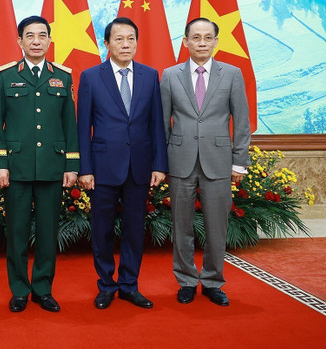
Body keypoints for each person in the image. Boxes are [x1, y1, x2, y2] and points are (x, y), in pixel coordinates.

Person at [0, 15, 79, 314]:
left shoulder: (63, 77)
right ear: (20, 41)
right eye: (30, 36)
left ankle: (43, 288)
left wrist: (71, 164)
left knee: (47, 232)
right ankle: (19, 289)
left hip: (52, 165)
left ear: (50, 40)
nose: (36, 41)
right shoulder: (5, 76)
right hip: (17, 166)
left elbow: (70, 124)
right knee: (16, 232)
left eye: (42, 35)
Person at [77, 16, 167, 310]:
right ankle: (106, 285)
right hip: (102, 167)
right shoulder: (91, 77)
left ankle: (129, 285)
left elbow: (156, 124)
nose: (126, 44)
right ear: (107, 44)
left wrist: (159, 164)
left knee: (134, 229)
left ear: (137, 43)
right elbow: (83, 127)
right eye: (119, 39)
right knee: (102, 230)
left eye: (131, 39)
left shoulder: (149, 75)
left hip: (139, 166)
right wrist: (85, 169)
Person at [160, 17, 250, 307]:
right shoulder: (170, 75)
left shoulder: (232, 74)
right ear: (185, 42)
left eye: (207, 38)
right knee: (181, 225)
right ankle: (186, 280)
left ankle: (213, 282)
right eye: (196, 38)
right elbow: (162, 123)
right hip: (180, 160)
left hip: (218, 161)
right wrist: (161, 162)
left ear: (216, 42)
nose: (202, 43)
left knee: (217, 227)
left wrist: (239, 162)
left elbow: (242, 121)